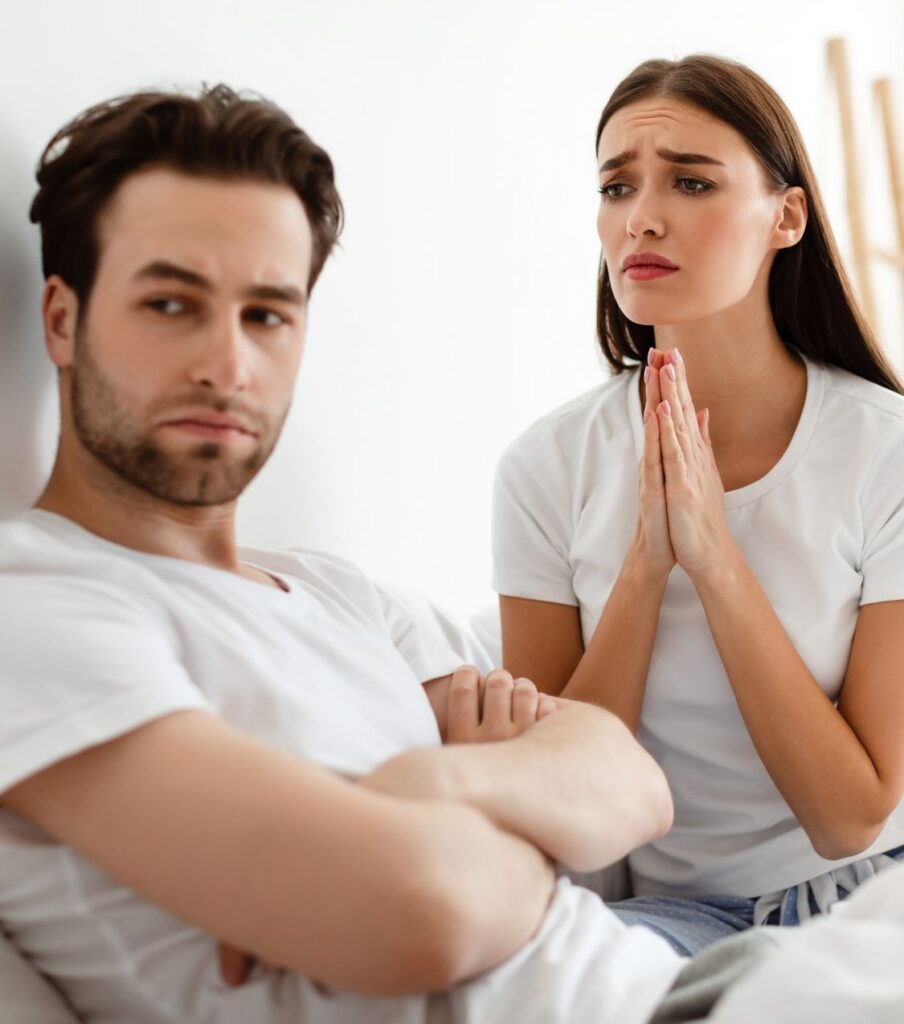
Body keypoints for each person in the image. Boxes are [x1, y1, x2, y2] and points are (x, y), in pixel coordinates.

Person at [0, 83, 684, 1024]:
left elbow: (630, 780)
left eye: (268, 314)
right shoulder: (34, 603)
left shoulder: (332, 591)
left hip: (680, 986)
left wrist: (420, 784)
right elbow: (422, 912)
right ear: (61, 320)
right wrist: (494, 817)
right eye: (170, 302)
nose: (228, 364)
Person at [493, 53, 904, 957]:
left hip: (875, 893)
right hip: (674, 920)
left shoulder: (886, 452)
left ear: (785, 217)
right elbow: (557, 806)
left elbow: (850, 817)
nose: (641, 216)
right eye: (615, 186)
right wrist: (645, 567)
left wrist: (714, 557)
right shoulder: (545, 467)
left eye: (690, 181)